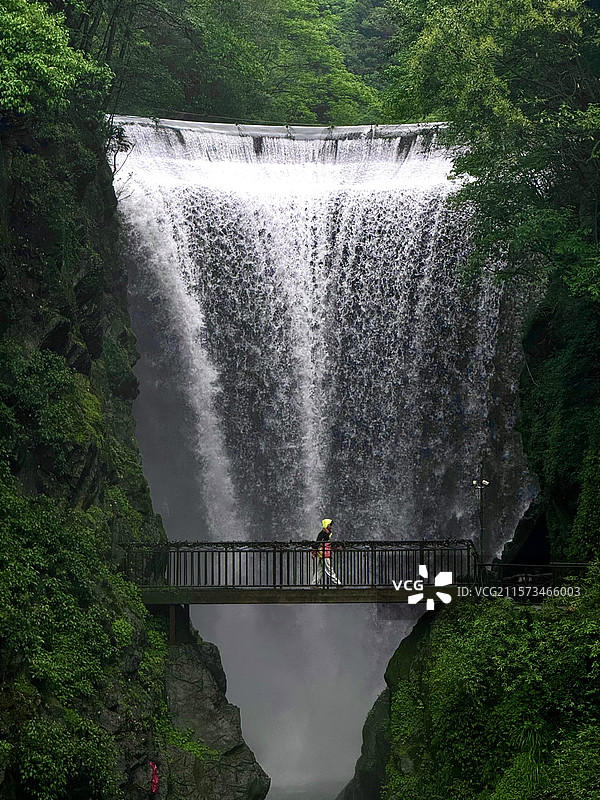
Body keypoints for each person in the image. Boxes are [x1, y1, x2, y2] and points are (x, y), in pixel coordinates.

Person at [311, 518, 341, 585]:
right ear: (326, 525)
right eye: (330, 525)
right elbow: (318, 543)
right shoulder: (323, 534)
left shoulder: (326, 533)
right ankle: (337, 583)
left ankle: (314, 584)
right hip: (324, 554)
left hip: (323, 554)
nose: (331, 527)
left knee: (320, 570)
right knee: (329, 569)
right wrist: (314, 551)